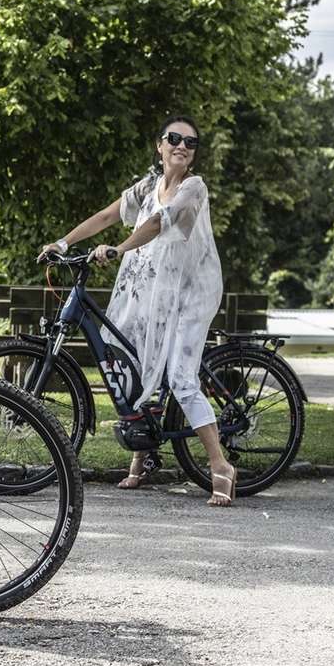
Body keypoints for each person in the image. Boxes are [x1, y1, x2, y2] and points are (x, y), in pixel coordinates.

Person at [38, 115, 236, 505]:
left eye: (190, 143)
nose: (181, 146)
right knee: (132, 359)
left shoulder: (194, 188)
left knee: (179, 376)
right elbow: (108, 215)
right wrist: (63, 242)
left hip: (191, 291)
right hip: (154, 286)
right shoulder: (148, 185)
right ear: (159, 145)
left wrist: (118, 249)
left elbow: (159, 224)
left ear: (193, 156)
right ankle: (143, 455)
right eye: (174, 139)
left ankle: (220, 465)